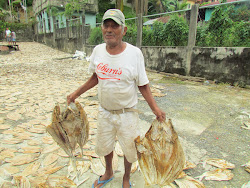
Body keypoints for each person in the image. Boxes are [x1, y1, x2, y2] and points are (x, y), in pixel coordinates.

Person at [67, 9, 166, 188]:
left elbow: (142, 84)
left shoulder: (135, 54)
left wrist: (155, 109)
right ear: (102, 28)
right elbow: (96, 77)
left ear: (124, 30)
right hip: (105, 111)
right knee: (105, 146)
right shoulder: (97, 51)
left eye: (115, 26)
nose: (109, 30)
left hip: (127, 113)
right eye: (106, 25)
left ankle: (126, 177)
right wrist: (76, 93)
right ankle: (108, 172)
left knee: (130, 149)